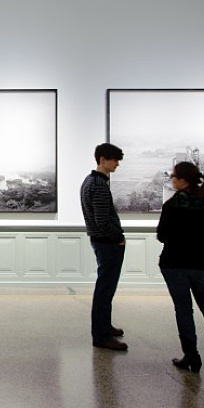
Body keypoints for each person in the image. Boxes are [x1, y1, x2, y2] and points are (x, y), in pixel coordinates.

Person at [156, 160, 204, 373]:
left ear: (182, 180)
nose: (171, 179)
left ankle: (192, 356)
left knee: (183, 310)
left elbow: (162, 236)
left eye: (173, 176)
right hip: (203, 263)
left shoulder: (171, 206)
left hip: (174, 264)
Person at [80, 142, 128, 351]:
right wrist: (118, 237)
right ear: (102, 160)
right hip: (107, 243)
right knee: (105, 290)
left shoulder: (90, 181)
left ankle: (104, 327)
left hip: (101, 242)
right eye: (114, 159)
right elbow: (101, 220)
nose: (117, 164)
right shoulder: (98, 185)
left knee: (105, 289)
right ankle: (101, 335)